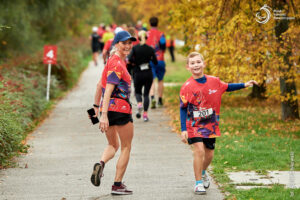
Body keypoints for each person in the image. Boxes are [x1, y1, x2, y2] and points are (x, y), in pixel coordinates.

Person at [179, 52, 257, 195]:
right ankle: (198, 183)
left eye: (198, 62)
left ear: (204, 64)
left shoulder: (214, 81)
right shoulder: (187, 87)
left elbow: (227, 87)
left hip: (210, 125)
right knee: (199, 151)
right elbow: (183, 108)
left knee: (209, 155)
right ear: (188, 67)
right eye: (192, 63)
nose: (196, 65)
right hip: (194, 125)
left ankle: (203, 172)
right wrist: (183, 129)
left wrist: (245, 84)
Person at [90, 30, 136, 195]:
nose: (127, 46)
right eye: (124, 43)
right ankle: (117, 185)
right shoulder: (117, 64)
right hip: (120, 110)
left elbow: (98, 86)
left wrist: (95, 109)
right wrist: (102, 116)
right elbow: (108, 88)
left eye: (130, 43)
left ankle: (101, 164)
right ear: (116, 44)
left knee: (113, 144)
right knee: (126, 147)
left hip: (107, 109)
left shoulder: (111, 61)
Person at [128, 30, 157, 121]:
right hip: (148, 73)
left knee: (137, 92)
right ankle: (145, 115)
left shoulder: (135, 48)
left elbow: (129, 59)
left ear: (138, 38)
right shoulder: (150, 49)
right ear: (146, 38)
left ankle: (139, 104)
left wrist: (134, 63)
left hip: (138, 73)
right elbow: (155, 62)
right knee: (146, 94)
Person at [146, 17, 166, 109]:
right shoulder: (161, 34)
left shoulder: (146, 34)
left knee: (152, 80)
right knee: (160, 80)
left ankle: (153, 97)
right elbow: (163, 46)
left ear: (150, 24)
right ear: (157, 24)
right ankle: (160, 100)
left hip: (149, 60)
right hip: (160, 59)